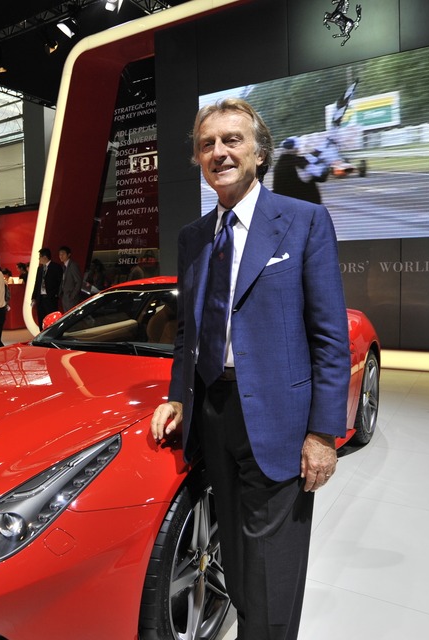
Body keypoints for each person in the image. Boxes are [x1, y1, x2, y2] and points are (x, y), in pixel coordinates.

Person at [150, 98, 349, 640]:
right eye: (208, 144)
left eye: (233, 140)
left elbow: (329, 335)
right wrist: (176, 396)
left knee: (273, 571)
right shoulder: (194, 238)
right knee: (235, 561)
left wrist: (323, 434)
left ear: (259, 153)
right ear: (197, 158)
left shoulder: (303, 221)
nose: (220, 152)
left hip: (281, 421)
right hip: (213, 414)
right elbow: (189, 333)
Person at [271, 137, 326, 205]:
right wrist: (324, 164)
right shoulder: (299, 163)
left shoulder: (279, 165)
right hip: (306, 205)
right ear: (295, 149)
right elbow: (321, 176)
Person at [31, 247, 62, 324]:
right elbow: (37, 283)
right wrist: (34, 297)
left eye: (40, 257)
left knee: (52, 320)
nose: (39, 259)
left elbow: (60, 283)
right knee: (41, 319)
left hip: (51, 298)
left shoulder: (56, 267)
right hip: (40, 299)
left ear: (45, 257)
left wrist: (55, 294)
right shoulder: (40, 269)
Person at [58, 245, 83, 312]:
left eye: (63, 254)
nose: (61, 256)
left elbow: (79, 281)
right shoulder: (63, 266)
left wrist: (73, 295)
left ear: (69, 255)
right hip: (64, 296)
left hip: (70, 296)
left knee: (72, 315)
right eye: (60, 254)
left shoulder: (73, 265)